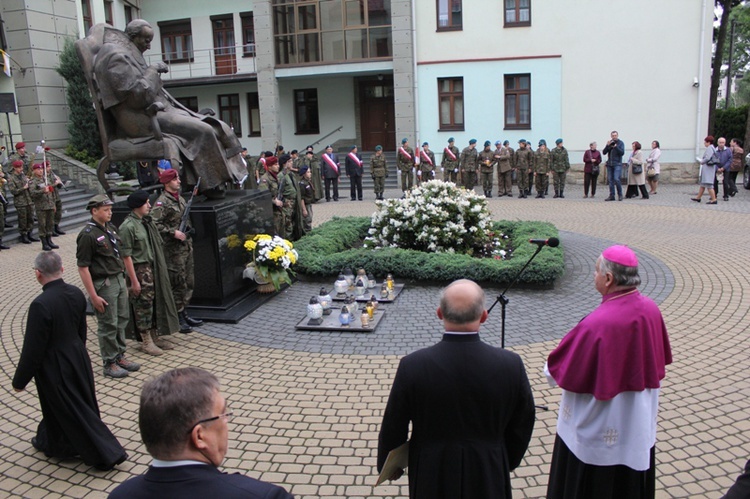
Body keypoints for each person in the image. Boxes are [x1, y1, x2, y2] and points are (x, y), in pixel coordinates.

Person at [377, 279, 535, 498]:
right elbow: (523, 422)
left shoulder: (412, 365)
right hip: (488, 467)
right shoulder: (511, 364)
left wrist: (389, 466)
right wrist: (507, 458)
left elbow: (394, 423)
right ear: (484, 316)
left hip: (431, 470)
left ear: (440, 313)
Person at [545, 245, 672, 499]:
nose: (593, 276)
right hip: (637, 425)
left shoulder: (596, 324)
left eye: (595, 271)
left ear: (609, 278)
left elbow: (557, 371)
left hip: (597, 434)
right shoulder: (651, 309)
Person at [92, 20, 246, 193]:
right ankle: (211, 185)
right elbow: (137, 98)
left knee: (217, 125)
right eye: (146, 40)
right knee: (204, 130)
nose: (148, 46)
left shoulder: (128, 52)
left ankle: (234, 176)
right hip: (142, 119)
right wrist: (152, 70)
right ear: (132, 37)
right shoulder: (116, 56)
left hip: (157, 110)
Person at [12, 251, 128, 470]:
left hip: (54, 365)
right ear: (62, 269)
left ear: (38, 274)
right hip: (77, 356)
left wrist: (20, 381)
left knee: (74, 408)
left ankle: (106, 453)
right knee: (73, 402)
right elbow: (81, 330)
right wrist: (78, 352)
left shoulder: (40, 304)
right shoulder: (75, 293)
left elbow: (32, 349)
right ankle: (54, 443)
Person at [108, 368, 293, 498]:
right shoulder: (263, 496)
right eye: (222, 415)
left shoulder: (120, 495)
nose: (227, 423)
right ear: (199, 436)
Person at [77, 194, 141, 378]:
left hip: (118, 279)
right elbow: (83, 268)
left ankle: (120, 355)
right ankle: (109, 362)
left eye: (110, 209)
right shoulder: (88, 235)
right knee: (108, 323)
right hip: (104, 283)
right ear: (94, 211)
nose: (109, 213)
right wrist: (93, 296)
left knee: (121, 319)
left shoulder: (109, 229)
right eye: (105, 210)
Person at [119, 190, 180, 356]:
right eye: (146, 203)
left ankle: (154, 335)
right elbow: (126, 256)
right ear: (137, 206)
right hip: (140, 270)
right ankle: (146, 341)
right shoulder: (128, 227)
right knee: (143, 305)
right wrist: (134, 281)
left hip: (151, 267)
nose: (149, 205)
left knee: (154, 302)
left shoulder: (145, 222)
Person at [151, 169, 204, 333]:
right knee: (177, 283)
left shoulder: (179, 198)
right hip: (172, 250)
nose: (179, 181)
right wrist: (173, 232)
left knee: (188, 281)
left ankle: (184, 311)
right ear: (167, 183)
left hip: (185, 247)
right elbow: (154, 224)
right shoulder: (162, 203)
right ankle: (177, 316)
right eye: (175, 179)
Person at [29, 163, 59, 251]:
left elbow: (51, 192)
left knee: (50, 223)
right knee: (42, 224)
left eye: (41, 169)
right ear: (34, 171)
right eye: (38, 169)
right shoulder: (32, 181)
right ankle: (44, 243)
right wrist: (42, 191)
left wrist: (53, 204)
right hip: (41, 207)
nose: (41, 171)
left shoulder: (46, 179)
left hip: (49, 204)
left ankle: (49, 240)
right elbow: (32, 193)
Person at [8, 159, 39, 244]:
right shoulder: (11, 178)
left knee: (30, 218)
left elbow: (28, 186)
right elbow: (13, 191)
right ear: (14, 168)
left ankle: (30, 234)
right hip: (20, 202)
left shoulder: (23, 175)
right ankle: (23, 235)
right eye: (19, 167)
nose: (21, 169)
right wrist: (23, 188)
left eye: (21, 167)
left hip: (28, 200)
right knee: (23, 219)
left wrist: (29, 183)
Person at [692, 135, 718, 204]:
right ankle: (698, 197)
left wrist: (702, 161)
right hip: (709, 168)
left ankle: (713, 199)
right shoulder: (713, 148)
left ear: (708, 142)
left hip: (708, 169)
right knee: (703, 184)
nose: (704, 143)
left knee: (709, 185)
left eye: (705, 142)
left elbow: (707, 158)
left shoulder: (710, 148)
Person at [602, 130, 625, 201]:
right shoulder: (610, 143)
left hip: (617, 164)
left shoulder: (620, 143)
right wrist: (607, 145)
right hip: (610, 164)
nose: (614, 137)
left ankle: (620, 195)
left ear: (617, 136)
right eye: (613, 136)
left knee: (616, 179)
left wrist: (616, 147)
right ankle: (612, 195)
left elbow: (622, 153)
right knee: (610, 180)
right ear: (611, 136)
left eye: (615, 135)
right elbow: (604, 152)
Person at [45, 162, 67, 236]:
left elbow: (58, 186)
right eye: (48, 167)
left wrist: (60, 182)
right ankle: (51, 229)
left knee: (58, 213)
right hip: (51, 197)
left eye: (50, 166)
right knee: (52, 214)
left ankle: (56, 226)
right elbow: (47, 186)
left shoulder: (52, 174)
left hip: (56, 195)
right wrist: (55, 183)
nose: (50, 168)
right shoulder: (44, 176)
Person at [714, 137, 733, 201]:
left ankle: (726, 195)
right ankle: (714, 195)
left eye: (723, 143)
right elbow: (713, 161)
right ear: (717, 143)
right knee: (715, 182)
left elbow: (730, 160)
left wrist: (724, 168)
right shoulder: (715, 150)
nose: (721, 144)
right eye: (720, 142)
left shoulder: (728, 150)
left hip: (726, 169)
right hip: (716, 169)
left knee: (725, 182)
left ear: (725, 143)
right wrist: (717, 168)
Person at [298, 165, 315, 234]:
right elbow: (301, 197)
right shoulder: (302, 183)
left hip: (309, 204)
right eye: (308, 172)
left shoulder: (308, 182)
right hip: (305, 205)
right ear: (304, 174)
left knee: (309, 219)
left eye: (310, 172)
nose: (310, 173)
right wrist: (304, 209)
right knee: (307, 221)